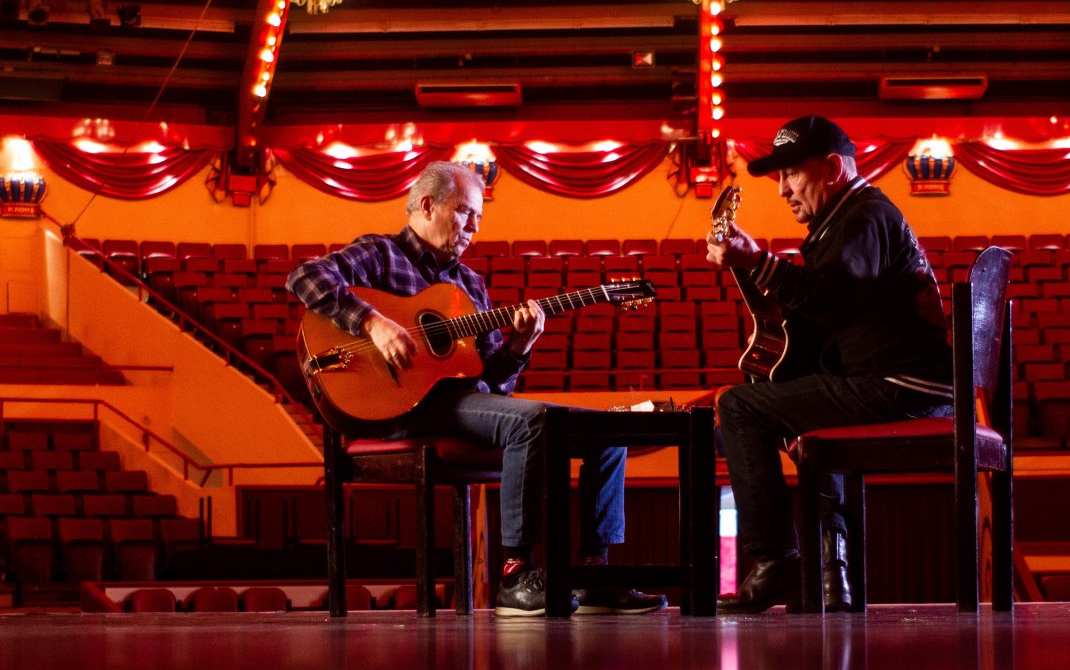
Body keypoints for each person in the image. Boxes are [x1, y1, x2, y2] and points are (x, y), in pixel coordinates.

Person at [288, 161, 667, 617]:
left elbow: (494, 385)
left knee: (607, 431)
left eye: (479, 218)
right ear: (427, 205)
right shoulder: (381, 253)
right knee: (533, 421)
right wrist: (373, 323)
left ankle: (593, 575)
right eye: (466, 213)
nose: (474, 228)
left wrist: (520, 345)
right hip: (399, 405)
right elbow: (304, 278)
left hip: (458, 404)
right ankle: (515, 575)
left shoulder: (468, 285)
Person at [706, 115, 953, 613]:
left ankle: (777, 562)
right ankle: (826, 575)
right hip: (903, 383)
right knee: (787, 409)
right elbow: (829, 314)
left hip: (898, 387)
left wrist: (758, 261)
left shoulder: (861, 217)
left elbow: (833, 299)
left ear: (834, 169)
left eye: (791, 174)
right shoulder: (851, 217)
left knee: (738, 407)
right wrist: (761, 285)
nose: (783, 190)